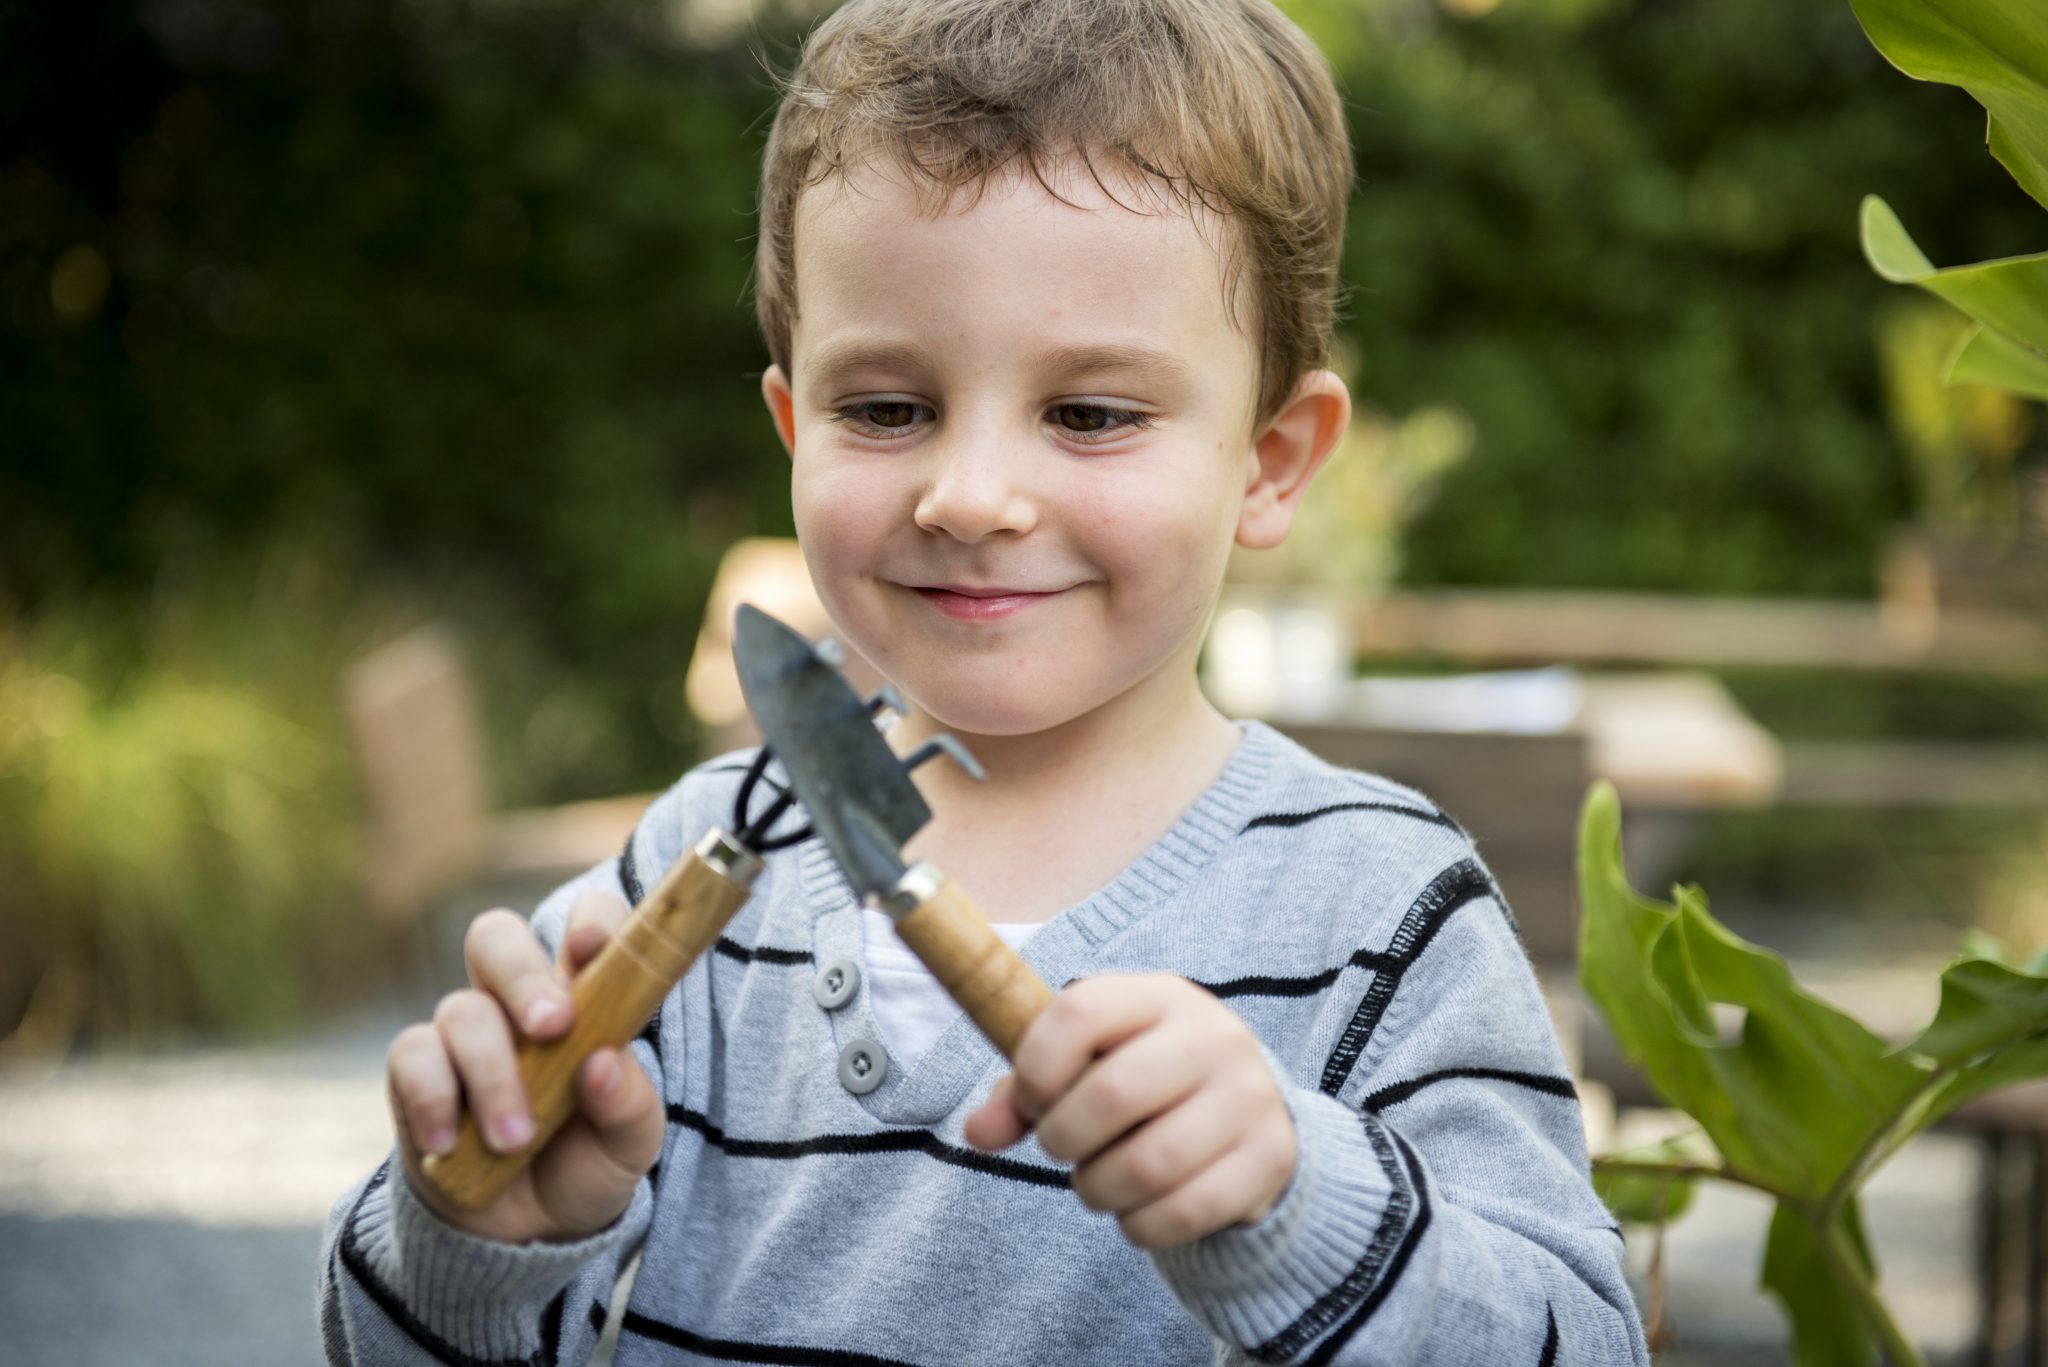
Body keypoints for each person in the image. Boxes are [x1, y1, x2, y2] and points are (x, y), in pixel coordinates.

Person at [320, 1, 1650, 1362]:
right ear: (792, 424)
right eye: (886, 409)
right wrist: (475, 1242)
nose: (970, 497)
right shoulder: (682, 887)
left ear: (1270, 460)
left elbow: (1580, 1342)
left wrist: (1301, 1200)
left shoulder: (1384, 911)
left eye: (1089, 414)